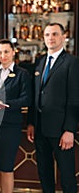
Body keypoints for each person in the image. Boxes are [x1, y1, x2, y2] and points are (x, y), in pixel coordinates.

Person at [27, 22, 79, 193]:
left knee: (67, 175)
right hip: (41, 128)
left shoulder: (72, 62)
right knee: (44, 172)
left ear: (64, 37)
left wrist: (70, 130)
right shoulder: (40, 62)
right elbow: (36, 95)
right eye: (47, 34)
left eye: (55, 34)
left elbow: (74, 99)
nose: (51, 38)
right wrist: (32, 123)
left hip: (61, 130)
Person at [0, 39, 31, 193]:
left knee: (6, 166)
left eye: (6, 51)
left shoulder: (22, 74)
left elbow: (26, 99)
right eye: (0, 52)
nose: (3, 55)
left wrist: (2, 102)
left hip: (11, 126)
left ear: (13, 52)